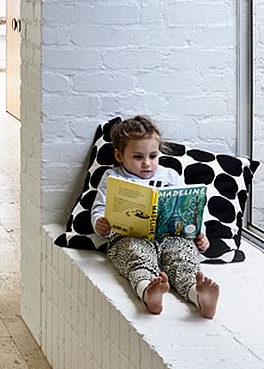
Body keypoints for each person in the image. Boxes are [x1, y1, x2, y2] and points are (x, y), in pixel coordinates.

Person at [90, 115, 220, 318]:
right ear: (119, 156)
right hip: (129, 236)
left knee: (182, 259)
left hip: (171, 237)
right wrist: (100, 223)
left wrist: (200, 234)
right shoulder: (113, 178)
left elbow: (190, 210)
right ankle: (148, 292)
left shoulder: (171, 176)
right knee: (136, 258)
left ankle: (199, 295)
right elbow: (99, 208)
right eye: (138, 157)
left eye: (153, 156)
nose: (147, 164)